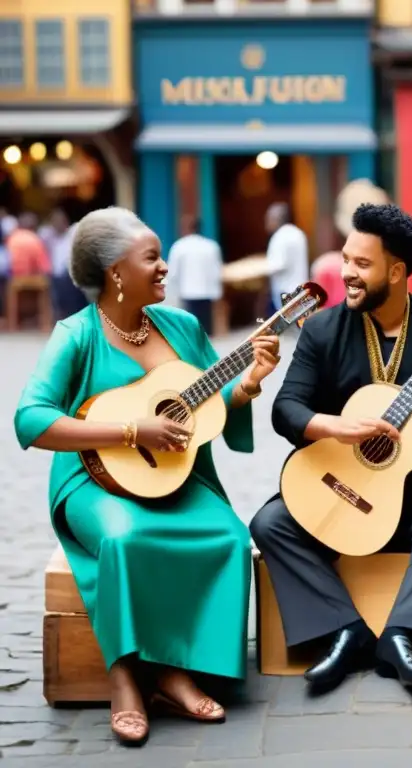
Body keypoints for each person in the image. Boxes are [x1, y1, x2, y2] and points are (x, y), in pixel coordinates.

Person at [13, 207, 280, 745]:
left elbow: (210, 399)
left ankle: (177, 673)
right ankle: (126, 678)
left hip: (173, 479)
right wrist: (132, 430)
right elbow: (30, 418)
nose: (165, 268)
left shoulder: (181, 327)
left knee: (230, 537)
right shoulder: (76, 335)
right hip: (95, 482)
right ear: (115, 271)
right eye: (152, 258)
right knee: (125, 537)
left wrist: (248, 383)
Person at [249, 203, 412, 693]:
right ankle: (344, 631)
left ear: (396, 271)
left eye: (361, 264)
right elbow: (285, 409)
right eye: (346, 259)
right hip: (337, 484)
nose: (346, 273)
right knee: (269, 524)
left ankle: (401, 637)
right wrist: (336, 427)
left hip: (407, 493)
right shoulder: (322, 329)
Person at [165, 214, 223, 334]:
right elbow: (217, 271)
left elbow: (173, 273)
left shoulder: (179, 246)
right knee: (206, 330)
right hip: (207, 294)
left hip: (188, 294)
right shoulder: (211, 246)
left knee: (192, 329)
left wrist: (172, 294)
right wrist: (218, 293)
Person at [265, 202, 309, 313]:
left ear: (276, 219)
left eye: (268, 219)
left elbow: (277, 265)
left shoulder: (279, 237)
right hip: (300, 287)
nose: (266, 223)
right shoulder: (298, 233)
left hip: (284, 291)